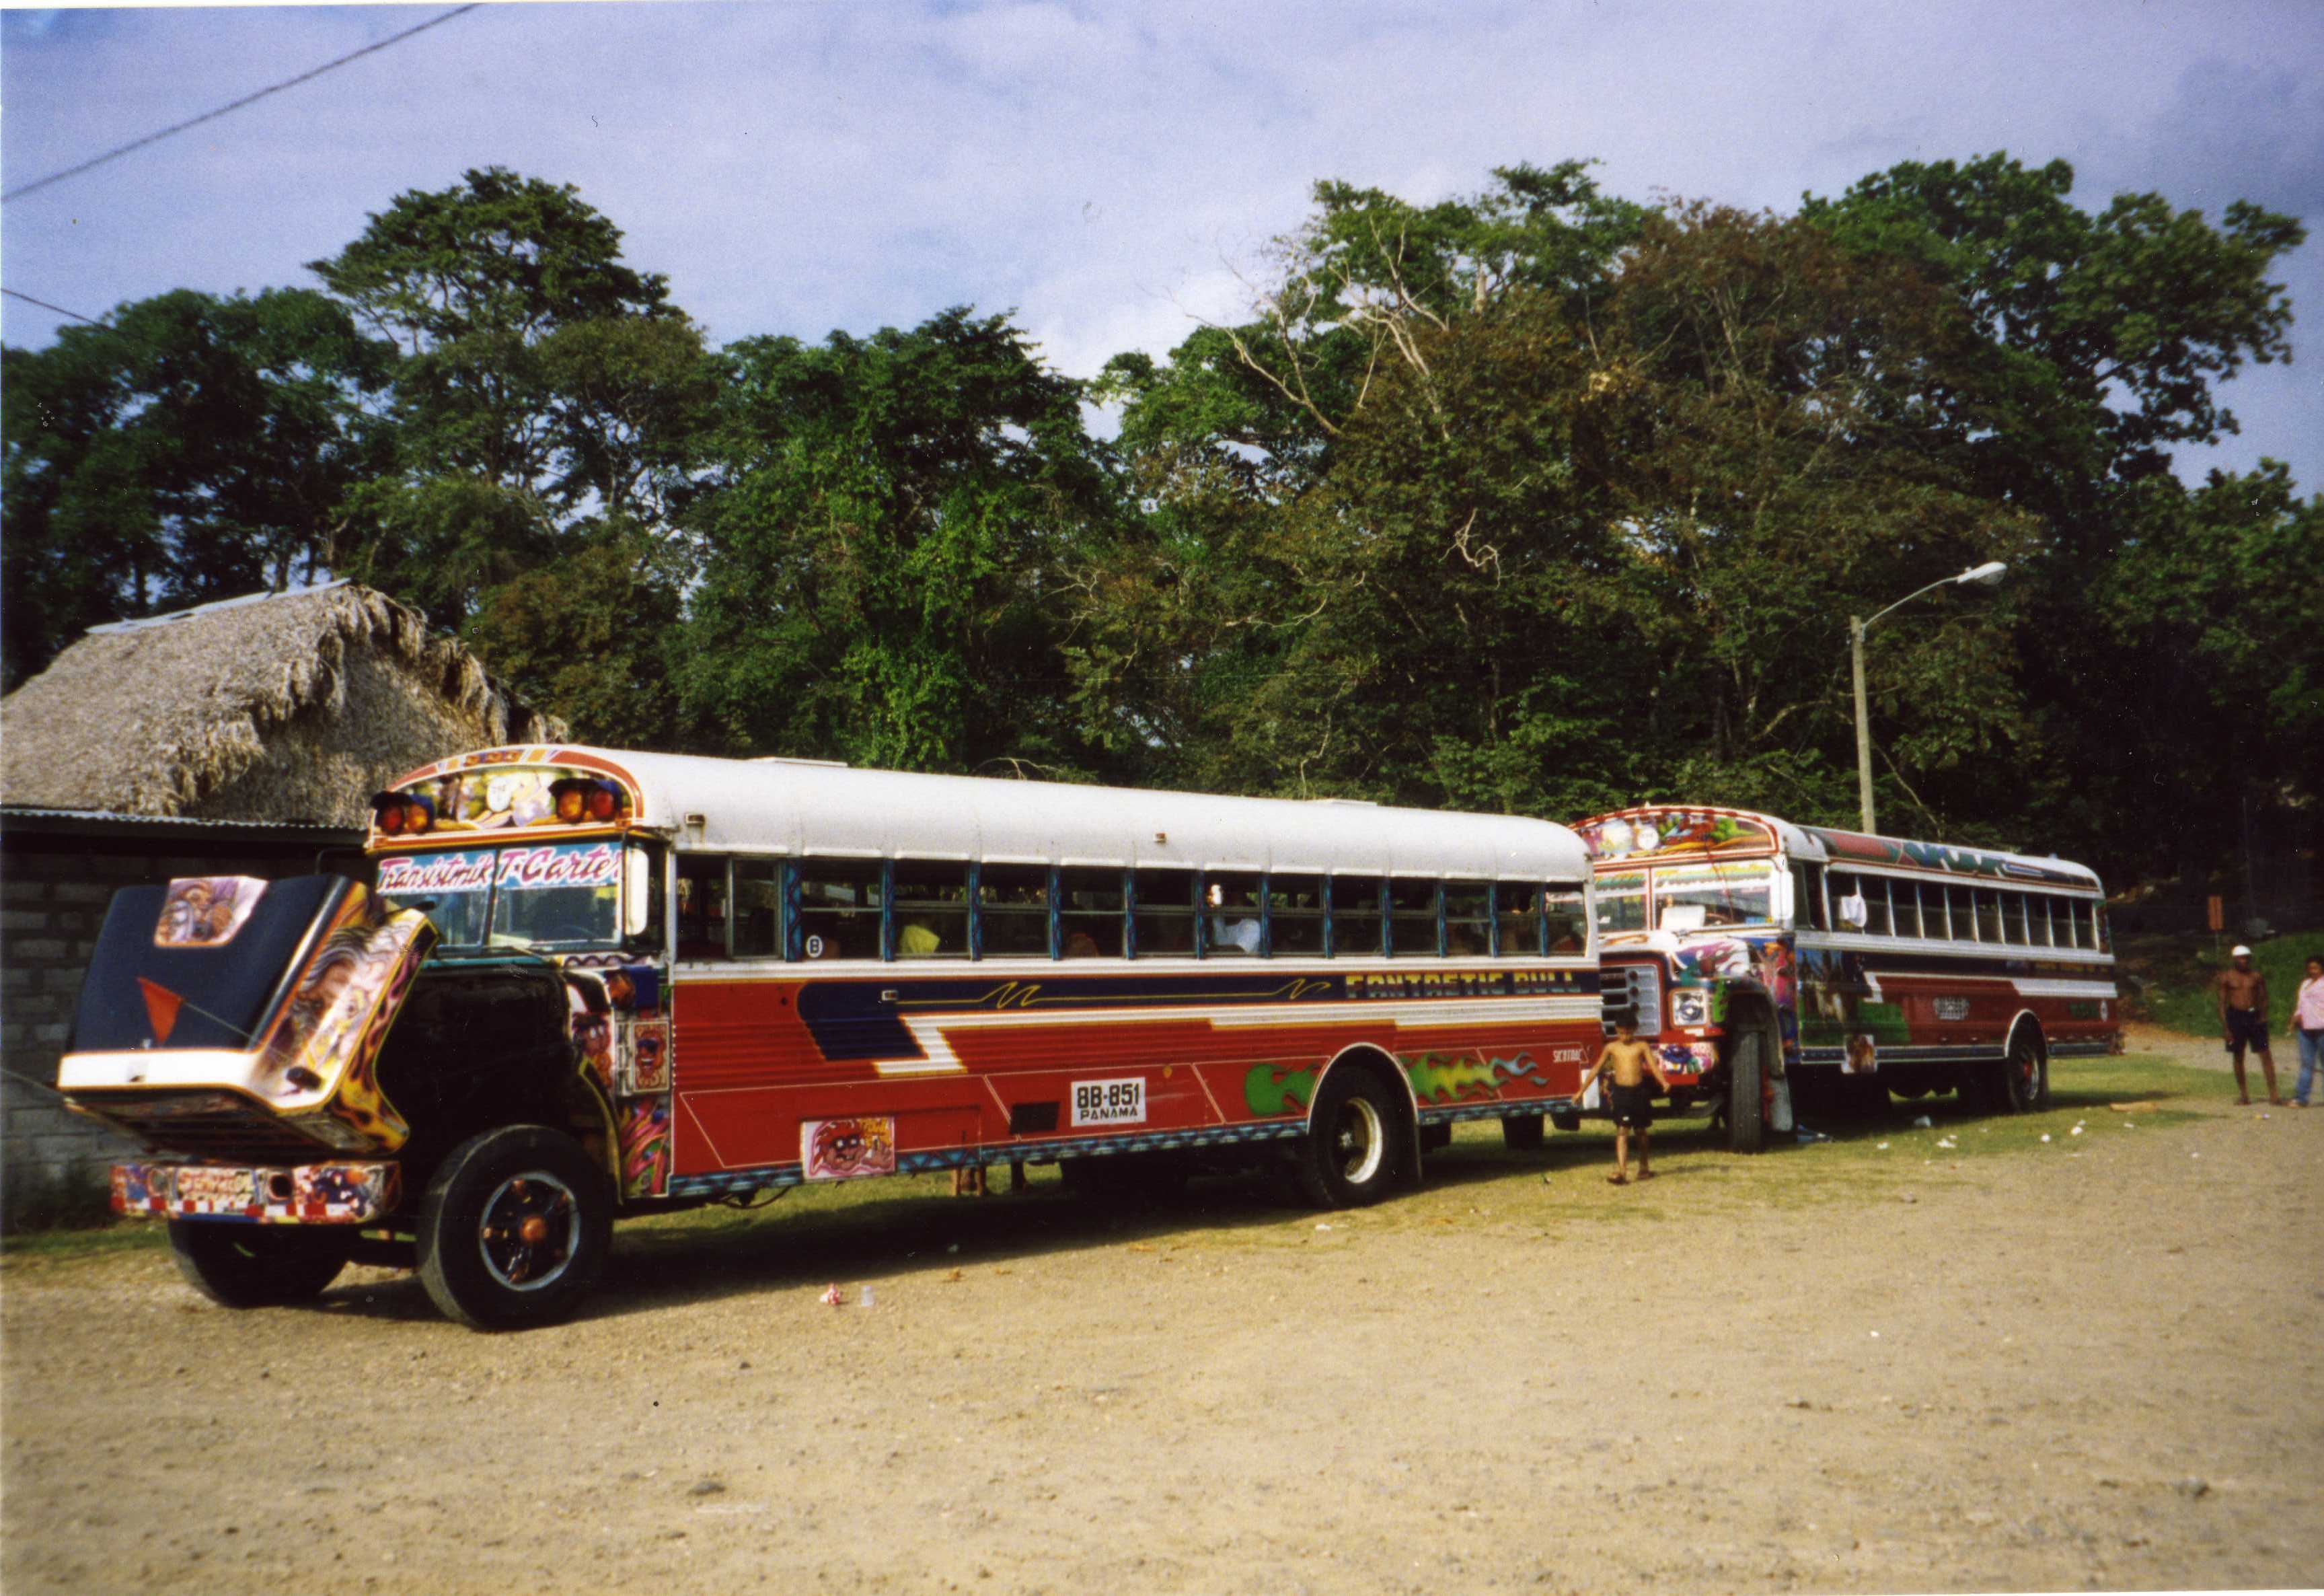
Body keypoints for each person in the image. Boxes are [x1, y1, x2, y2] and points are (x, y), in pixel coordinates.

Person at [1580, 1011, 1672, 1185]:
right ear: (1616, 1030)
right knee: (1622, 1130)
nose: (1625, 1036)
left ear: (1635, 1029)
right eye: (1621, 1033)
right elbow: (1596, 1069)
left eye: (1628, 1032)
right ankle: (1622, 1171)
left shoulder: (1641, 1046)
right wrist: (1581, 1091)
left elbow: (1653, 1067)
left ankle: (1644, 1167)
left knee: (1641, 1131)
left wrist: (1663, 1082)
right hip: (1621, 1093)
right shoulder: (1611, 1048)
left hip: (1639, 1092)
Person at [2216, 945, 2282, 1106]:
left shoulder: (2256, 976)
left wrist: (2263, 1017)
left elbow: (2264, 998)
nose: (2244, 961)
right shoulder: (2227, 977)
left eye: (2246, 958)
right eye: (2240, 958)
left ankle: (2274, 1094)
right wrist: (2226, 1027)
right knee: (2238, 1056)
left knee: (2265, 1055)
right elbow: (2222, 1004)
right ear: (2234, 959)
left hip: (2254, 1017)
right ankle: (2244, 1095)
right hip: (2235, 1017)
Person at [2291, 954, 2324, 1109]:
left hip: (2322, 1028)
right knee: (2306, 1064)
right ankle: (2301, 1097)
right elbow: (2301, 1004)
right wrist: (2295, 1019)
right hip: (2305, 1030)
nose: (2312, 971)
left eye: (2316, 968)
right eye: (2310, 968)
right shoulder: (2305, 984)